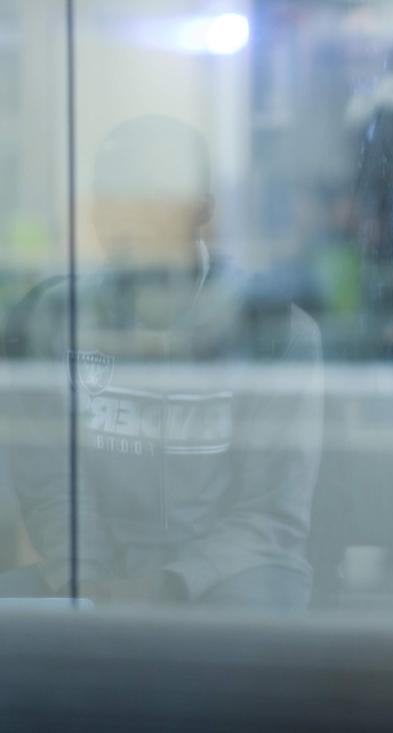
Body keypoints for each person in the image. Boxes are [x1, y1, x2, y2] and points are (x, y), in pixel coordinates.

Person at [0, 115, 323, 609]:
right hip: (101, 570)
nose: (123, 218)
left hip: (236, 575)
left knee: (236, 624)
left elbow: (270, 516)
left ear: (201, 212)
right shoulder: (52, 318)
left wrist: (170, 583)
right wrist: (83, 576)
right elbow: (51, 485)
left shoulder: (273, 330)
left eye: (148, 198)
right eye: (108, 199)